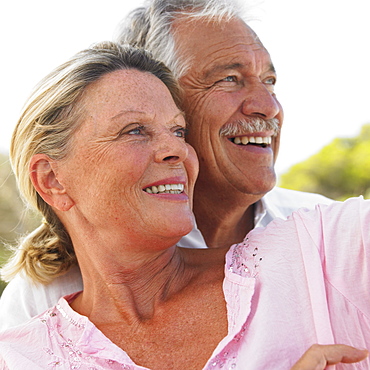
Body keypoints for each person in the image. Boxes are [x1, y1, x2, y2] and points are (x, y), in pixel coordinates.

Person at [0, 40, 369, 370]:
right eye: (135, 131)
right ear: (51, 179)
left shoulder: (322, 252)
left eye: (178, 131)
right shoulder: (23, 356)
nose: (178, 150)